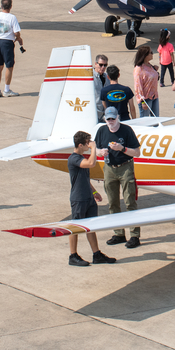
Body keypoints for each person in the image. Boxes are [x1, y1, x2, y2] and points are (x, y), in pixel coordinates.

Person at [95, 108, 142, 249]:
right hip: (109, 168)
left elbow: (137, 152)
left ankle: (134, 235)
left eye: (113, 119)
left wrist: (122, 148)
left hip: (125, 167)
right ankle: (118, 233)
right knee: (113, 202)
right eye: (108, 119)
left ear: (118, 118)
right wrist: (100, 152)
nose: (110, 122)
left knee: (130, 201)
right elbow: (95, 148)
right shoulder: (102, 131)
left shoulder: (126, 130)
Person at [66, 132, 114, 267]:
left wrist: (94, 192)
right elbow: (91, 163)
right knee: (74, 227)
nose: (90, 143)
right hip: (79, 199)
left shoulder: (81, 157)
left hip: (88, 197)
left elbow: (85, 178)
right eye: (88, 142)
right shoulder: (74, 158)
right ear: (80, 145)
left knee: (91, 227)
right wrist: (94, 148)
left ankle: (96, 254)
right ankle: (73, 255)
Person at [0, 0, 23, 98]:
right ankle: (6, 90)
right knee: (9, 66)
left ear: (1, 6)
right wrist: (19, 38)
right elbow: (16, 32)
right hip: (7, 43)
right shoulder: (12, 17)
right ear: (11, 6)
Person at [133, 45, 159, 118]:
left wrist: (155, 70)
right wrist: (143, 102)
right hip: (146, 100)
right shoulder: (139, 69)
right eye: (150, 52)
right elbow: (138, 88)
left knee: (156, 120)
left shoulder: (149, 65)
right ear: (145, 55)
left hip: (154, 97)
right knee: (145, 121)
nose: (152, 54)